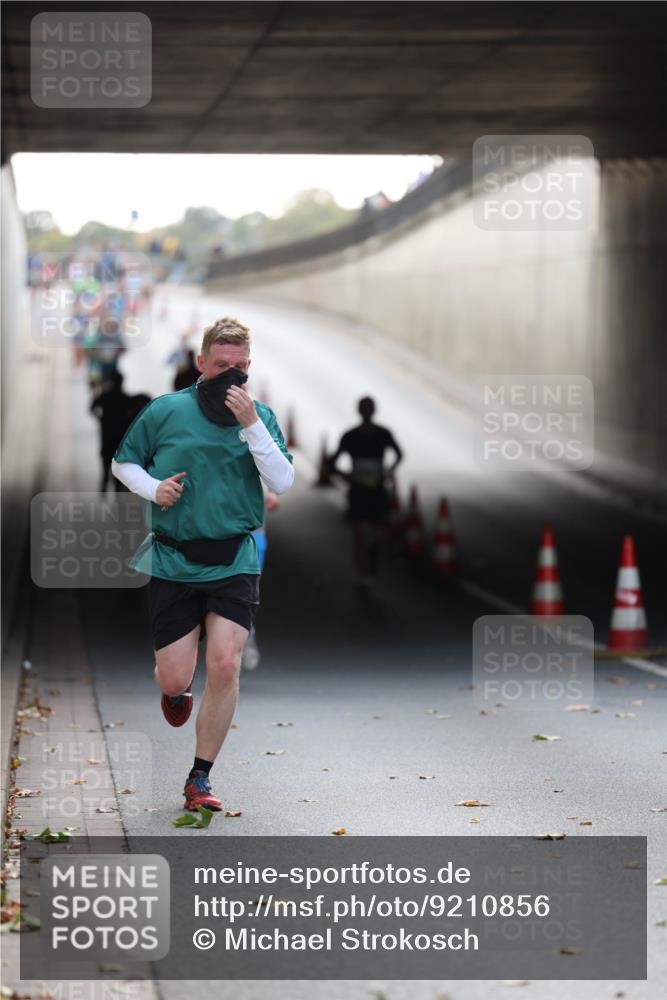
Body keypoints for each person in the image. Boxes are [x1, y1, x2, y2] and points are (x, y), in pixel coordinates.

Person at [111, 317, 294, 812]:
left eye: (239, 369)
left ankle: (199, 778)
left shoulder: (260, 418)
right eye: (219, 367)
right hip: (173, 557)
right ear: (201, 363)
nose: (229, 378)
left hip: (234, 557)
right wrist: (154, 489)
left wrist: (252, 424)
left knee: (226, 662)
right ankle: (174, 693)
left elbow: (282, 479)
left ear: (249, 367)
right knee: (175, 676)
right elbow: (123, 463)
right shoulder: (165, 412)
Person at [330, 397, 403, 589]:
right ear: (360, 411)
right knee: (360, 533)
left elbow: (399, 454)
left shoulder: (383, 434)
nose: (367, 412)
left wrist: (388, 471)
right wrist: (346, 476)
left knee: (379, 534)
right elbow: (331, 463)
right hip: (359, 491)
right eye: (365, 408)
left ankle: (371, 563)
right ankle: (363, 573)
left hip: (377, 490)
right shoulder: (351, 436)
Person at [241, 490, 279, 671]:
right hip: (213, 533)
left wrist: (272, 491)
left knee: (247, 591)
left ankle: (246, 631)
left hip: (253, 533)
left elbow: (279, 467)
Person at [90, 371, 136, 493]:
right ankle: (117, 488)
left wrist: (101, 419)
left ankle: (104, 484)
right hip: (120, 437)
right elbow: (133, 416)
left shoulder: (105, 396)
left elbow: (92, 408)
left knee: (105, 460)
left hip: (106, 433)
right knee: (118, 462)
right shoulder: (125, 398)